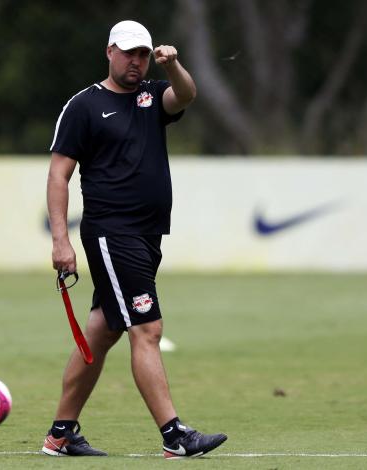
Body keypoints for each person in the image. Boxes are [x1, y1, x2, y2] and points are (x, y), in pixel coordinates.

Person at [42, 20, 227, 459]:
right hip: (111, 232)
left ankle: (61, 434)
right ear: (109, 52)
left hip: (147, 235)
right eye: (129, 53)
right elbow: (58, 174)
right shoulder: (84, 106)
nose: (136, 61)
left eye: (142, 54)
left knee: (102, 332)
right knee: (147, 328)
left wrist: (175, 63)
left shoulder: (151, 96)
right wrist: (60, 241)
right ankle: (174, 435)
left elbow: (185, 95)